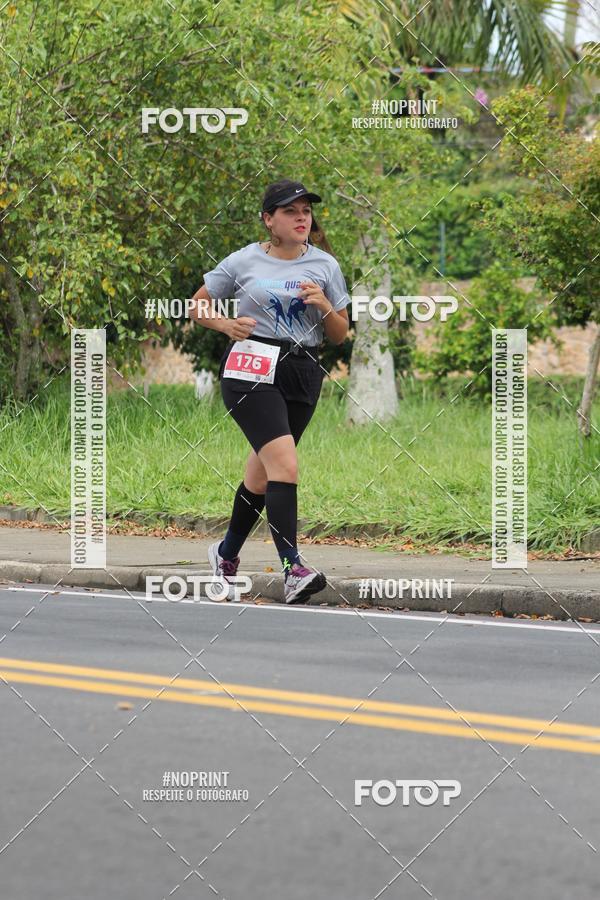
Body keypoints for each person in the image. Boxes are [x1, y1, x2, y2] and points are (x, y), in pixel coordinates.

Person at [191, 178, 350, 604]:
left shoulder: (325, 266)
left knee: (262, 477)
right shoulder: (244, 261)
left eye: (306, 211)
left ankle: (225, 556)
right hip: (252, 365)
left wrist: (324, 305)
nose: (302, 217)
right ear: (269, 219)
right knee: (285, 464)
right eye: (290, 211)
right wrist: (225, 324)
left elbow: (340, 334)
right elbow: (198, 304)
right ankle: (292, 568)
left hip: (303, 370)